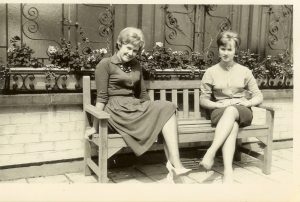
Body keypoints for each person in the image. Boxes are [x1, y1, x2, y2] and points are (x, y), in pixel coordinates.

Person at [85, 27, 191, 183]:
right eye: (128, 48)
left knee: (168, 108)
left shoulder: (135, 65)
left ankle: (175, 165)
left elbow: (142, 94)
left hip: (134, 107)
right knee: (166, 109)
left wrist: (152, 113)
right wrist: (94, 126)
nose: (131, 53)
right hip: (115, 110)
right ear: (120, 44)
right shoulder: (105, 64)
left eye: (135, 50)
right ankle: (175, 166)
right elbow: (101, 97)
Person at [199, 30, 263, 183]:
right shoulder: (210, 72)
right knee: (232, 125)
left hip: (242, 110)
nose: (226, 53)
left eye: (230, 49)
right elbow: (203, 99)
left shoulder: (244, 71)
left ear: (235, 51)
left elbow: (259, 96)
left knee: (232, 110)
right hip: (220, 111)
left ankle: (211, 152)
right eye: (223, 49)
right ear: (218, 50)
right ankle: (228, 171)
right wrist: (215, 104)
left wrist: (247, 102)